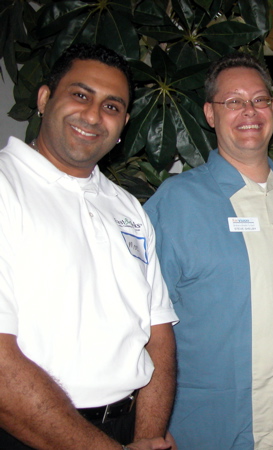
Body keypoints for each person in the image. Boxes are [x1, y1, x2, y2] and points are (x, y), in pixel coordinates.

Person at [0, 44, 178, 449]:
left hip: (128, 428)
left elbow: (158, 332)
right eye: (80, 95)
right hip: (30, 432)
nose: (94, 115)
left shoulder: (127, 206)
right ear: (45, 99)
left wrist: (147, 436)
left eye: (112, 106)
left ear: (125, 124)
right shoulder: (5, 188)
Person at [144, 52, 273, 449]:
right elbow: (141, 322)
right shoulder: (175, 203)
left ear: (272, 108)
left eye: (259, 100)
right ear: (209, 113)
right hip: (209, 428)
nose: (249, 111)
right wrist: (151, 422)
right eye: (233, 101)